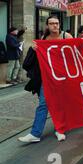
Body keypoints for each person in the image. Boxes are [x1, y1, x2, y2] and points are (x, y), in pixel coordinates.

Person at [18, 15, 73, 143]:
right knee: (43, 104)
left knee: (60, 104)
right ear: (47, 25)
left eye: (57, 23)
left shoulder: (66, 36)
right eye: (52, 23)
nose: (55, 25)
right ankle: (35, 134)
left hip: (62, 77)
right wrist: (34, 49)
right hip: (46, 77)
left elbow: (75, 54)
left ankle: (60, 130)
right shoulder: (43, 39)